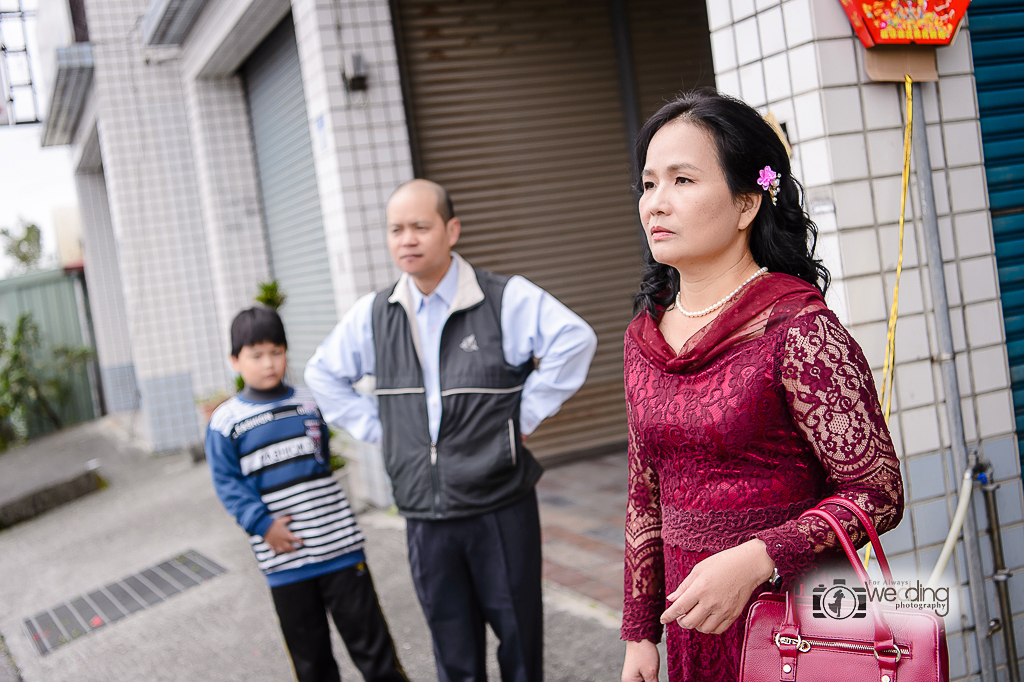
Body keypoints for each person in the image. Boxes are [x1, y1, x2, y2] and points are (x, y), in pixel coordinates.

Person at [619, 89, 905, 682]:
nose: (656, 204)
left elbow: (877, 493)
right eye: (648, 184)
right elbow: (644, 495)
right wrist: (639, 635)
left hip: (800, 625)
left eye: (682, 180)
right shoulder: (642, 338)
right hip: (695, 626)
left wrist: (759, 558)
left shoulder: (799, 329)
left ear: (747, 203)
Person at [304, 178, 598, 682]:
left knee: (519, 647)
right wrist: (382, 431)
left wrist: (522, 416)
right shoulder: (376, 314)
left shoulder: (503, 298)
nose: (407, 239)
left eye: (421, 226)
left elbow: (576, 340)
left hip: (499, 505)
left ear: (451, 229)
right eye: (396, 229)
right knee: (452, 652)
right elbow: (321, 375)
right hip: (426, 514)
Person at [205, 306, 408, 682]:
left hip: (341, 550)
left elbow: (322, 459)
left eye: (277, 352)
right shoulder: (226, 422)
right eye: (256, 355)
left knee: (374, 649)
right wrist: (263, 525)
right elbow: (228, 484)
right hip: (286, 560)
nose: (269, 363)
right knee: (312, 662)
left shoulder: (309, 402)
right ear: (235, 360)